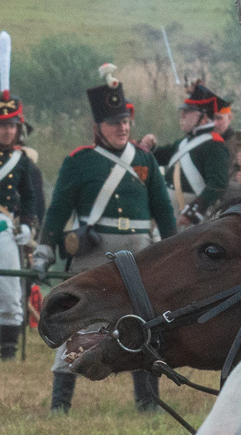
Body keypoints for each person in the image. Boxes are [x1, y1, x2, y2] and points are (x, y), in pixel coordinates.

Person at [42, 71, 173, 413]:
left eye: (125, 121)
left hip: (140, 259)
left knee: (144, 328)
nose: (122, 128)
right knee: (78, 325)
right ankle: (60, 404)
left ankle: (148, 401)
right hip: (95, 260)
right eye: (114, 122)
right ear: (98, 126)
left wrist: (174, 250)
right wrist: (44, 249)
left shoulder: (144, 161)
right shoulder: (79, 161)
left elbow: (163, 211)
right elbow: (58, 209)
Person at [0, 89, 43, 360]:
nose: (7, 131)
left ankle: (8, 353)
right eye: (1, 125)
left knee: (10, 292)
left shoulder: (22, 161)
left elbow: (29, 198)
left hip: (5, 227)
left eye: (11, 125)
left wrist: (27, 225)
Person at [154, 82, 234, 223]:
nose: (182, 115)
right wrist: (146, 145)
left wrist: (193, 212)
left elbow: (218, 183)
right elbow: (158, 157)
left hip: (192, 221)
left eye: (188, 112)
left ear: (203, 118)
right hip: (172, 215)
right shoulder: (184, 142)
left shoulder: (214, 145)